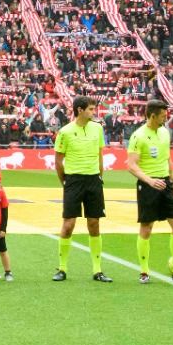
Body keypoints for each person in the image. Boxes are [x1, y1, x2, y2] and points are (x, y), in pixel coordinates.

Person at [126, 101, 173, 284]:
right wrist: (150, 181)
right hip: (148, 185)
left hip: (165, 184)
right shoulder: (138, 136)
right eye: (162, 115)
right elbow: (131, 165)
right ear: (152, 115)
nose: (166, 118)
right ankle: (144, 272)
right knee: (146, 228)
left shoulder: (165, 132)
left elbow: (168, 159)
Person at [53, 96, 110, 283]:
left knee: (94, 224)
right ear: (79, 110)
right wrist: (65, 182)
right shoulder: (65, 132)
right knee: (68, 225)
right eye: (91, 109)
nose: (94, 113)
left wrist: (100, 176)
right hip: (74, 181)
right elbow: (58, 161)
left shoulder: (98, 128)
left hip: (94, 180)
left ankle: (97, 270)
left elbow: (100, 154)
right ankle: (62, 268)